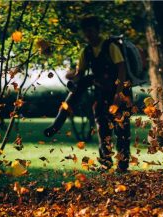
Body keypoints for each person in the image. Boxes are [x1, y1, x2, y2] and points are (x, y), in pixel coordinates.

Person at [44, 16, 131, 172]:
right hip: (101, 95)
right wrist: (72, 77)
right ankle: (106, 163)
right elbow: (80, 73)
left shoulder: (110, 46)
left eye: (91, 30)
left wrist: (119, 95)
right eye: (86, 32)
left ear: (97, 30)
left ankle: (123, 166)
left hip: (119, 94)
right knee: (102, 128)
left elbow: (122, 70)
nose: (88, 34)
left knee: (121, 129)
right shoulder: (86, 51)